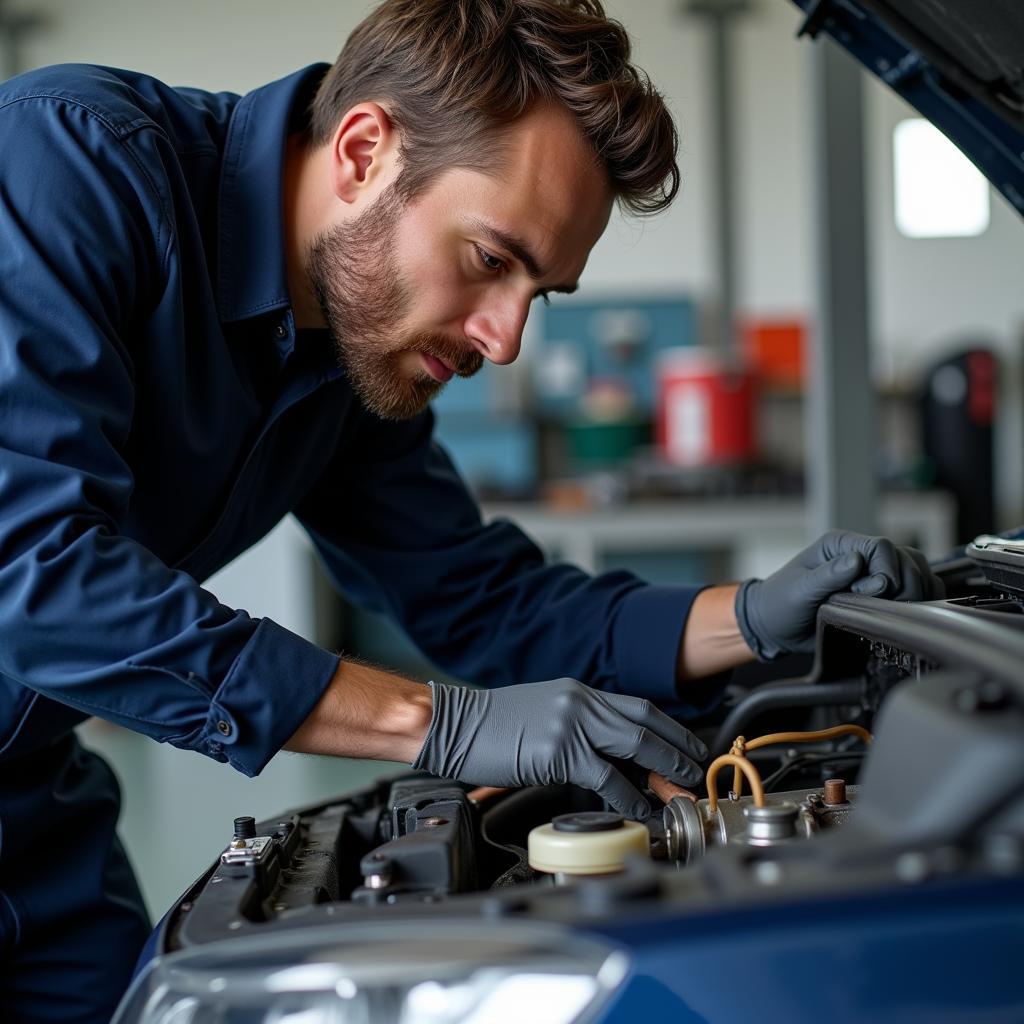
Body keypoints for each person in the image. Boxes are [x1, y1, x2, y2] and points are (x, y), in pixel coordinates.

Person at [0, 0, 942, 1019]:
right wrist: (438, 721)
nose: (504, 340)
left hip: (36, 824)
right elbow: (30, 572)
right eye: (492, 259)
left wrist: (748, 616)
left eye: (541, 292)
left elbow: (482, 599)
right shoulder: (68, 165)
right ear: (363, 151)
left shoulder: (351, 354)